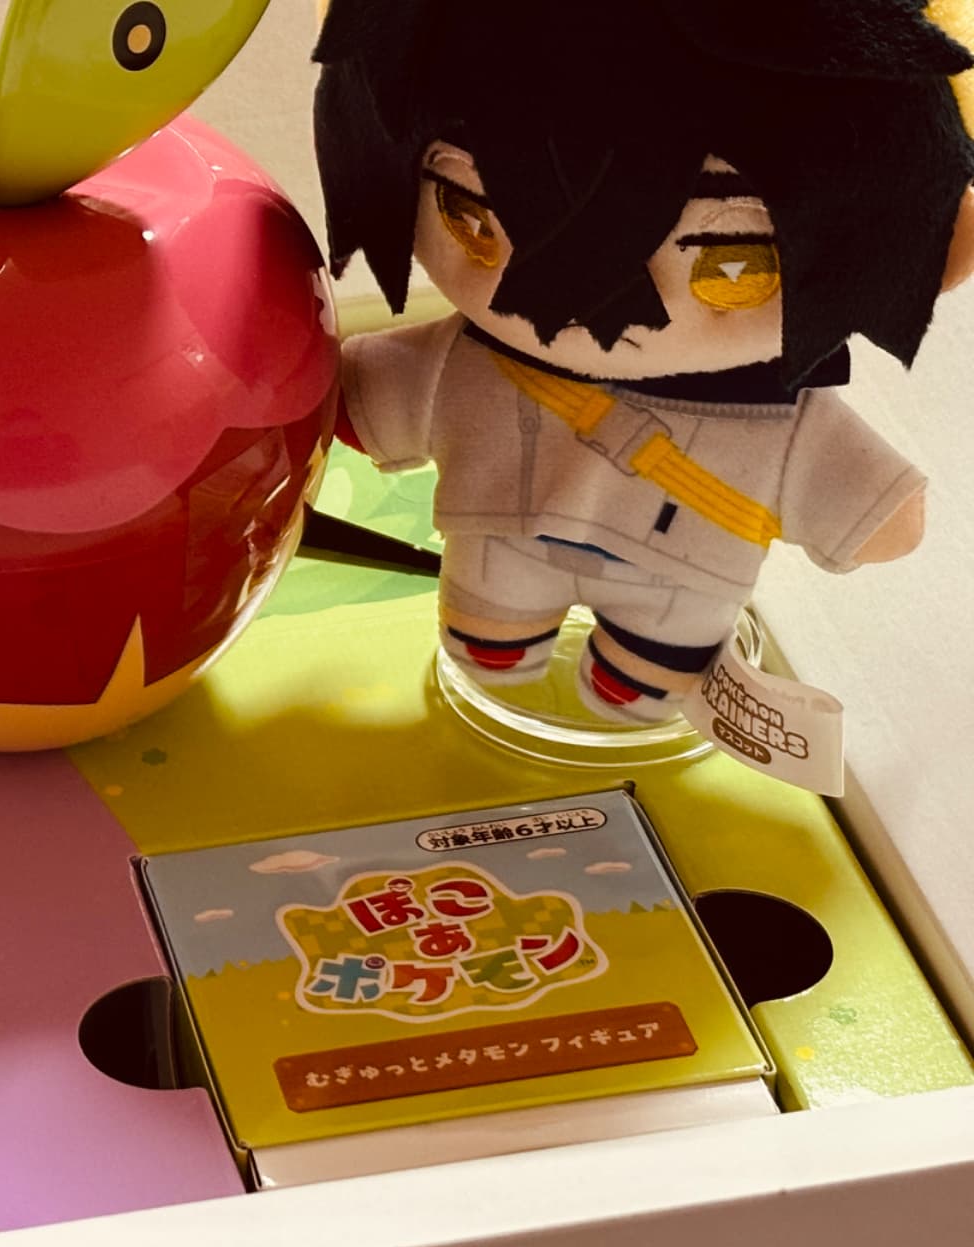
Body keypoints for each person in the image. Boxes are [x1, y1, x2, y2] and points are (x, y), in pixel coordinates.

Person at [314, 0, 974, 723]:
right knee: (494, 628)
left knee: (645, 669)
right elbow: (365, 394)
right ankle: (512, 647)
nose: (582, 308)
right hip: (522, 551)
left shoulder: (773, 418)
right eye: (472, 221)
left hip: (673, 580)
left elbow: (860, 495)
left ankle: (633, 678)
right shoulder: (470, 357)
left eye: (732, 267)